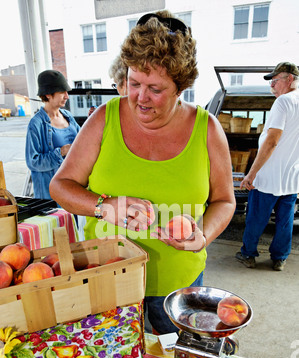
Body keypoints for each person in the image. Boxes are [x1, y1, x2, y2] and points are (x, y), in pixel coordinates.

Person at [49, 11, 236, 334]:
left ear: (181, 87)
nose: (140, 98)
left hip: (178, 282)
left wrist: (203, 235)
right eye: (134, 83)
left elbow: (225, 201)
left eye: (155, 89)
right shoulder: (103, 119)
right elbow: (61, 186)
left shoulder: (207, 129)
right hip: (109, 275)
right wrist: (105, 205)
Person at [236, 62, 299, 271]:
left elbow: (271, 141)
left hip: (268, 177)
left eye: (275, 80)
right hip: (291, 178)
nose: (272, 85)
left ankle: (248, 254)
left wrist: (251, 174)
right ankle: (279, 258)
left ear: (289, 79)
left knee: (256, 217)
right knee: (284, 221)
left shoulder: (283, 102)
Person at [25, 69, 80, 200]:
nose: (67, 96)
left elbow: (84, 142)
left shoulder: (68, 117)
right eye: (62, 92)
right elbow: (33, 162)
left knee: (74, 221)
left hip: (74, 188)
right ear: (48, 94)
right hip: (52, 195)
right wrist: (61, 152)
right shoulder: (36, 124)